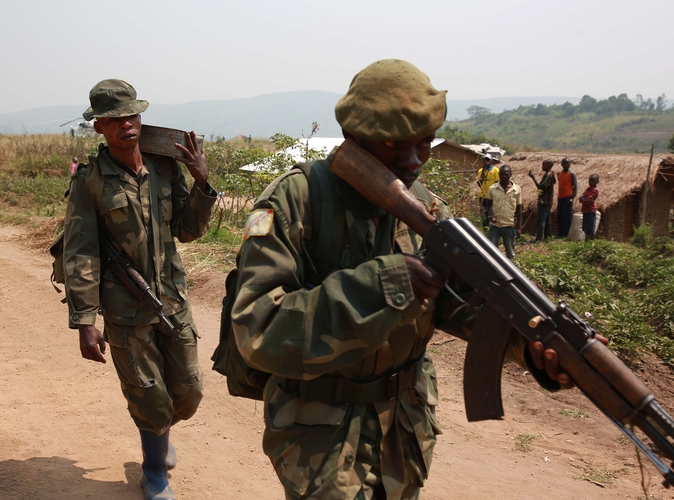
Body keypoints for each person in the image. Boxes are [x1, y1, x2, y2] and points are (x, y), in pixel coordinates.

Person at [231, 59, 573, 500]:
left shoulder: (426, 208)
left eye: (425, 143)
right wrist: (384, 284)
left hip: (405, 424)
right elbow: (258, 327)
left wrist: (534, 345)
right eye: (394, 144)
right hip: (320, 427)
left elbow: (463, 303)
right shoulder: (297, 199)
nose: (413, 161)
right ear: (353, 137)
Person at [62, 79, 216, 500]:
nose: (125, 124)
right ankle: (154, 472)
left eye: (131, 115)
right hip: (125, 310)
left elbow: (188, 229)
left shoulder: (165, 167)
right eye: (114, 119)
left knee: (189, 392)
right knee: (149, 397)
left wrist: (202, 184)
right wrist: (84, 321)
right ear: (100, 128)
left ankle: (160, 434)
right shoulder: (90, 181)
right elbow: (81, 252)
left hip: (173, 300)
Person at [486, 165, 522, 259]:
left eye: (506, 174)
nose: (503, 176)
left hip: (509, 226)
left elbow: (519, 209)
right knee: (491, 253)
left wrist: (519, 228)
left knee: (510, 254)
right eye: (501, 174)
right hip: (495, 226)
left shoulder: (516, 190)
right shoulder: (492, 189)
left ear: (510, 174)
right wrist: (491, 216)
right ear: (498, 175)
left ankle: (511, 272)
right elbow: (487, 206)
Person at [528, 159, 556, 242]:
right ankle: (548, 237)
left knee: (541, 220)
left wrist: (533, 178)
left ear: (548, 166)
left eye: (543, 165)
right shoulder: (552, 173)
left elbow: (540, 187)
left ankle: (539, 238)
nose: (542, 167)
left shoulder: (547, 175)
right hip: (548, 201)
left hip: (544, 201)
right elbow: (554, 182)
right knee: (547, 219)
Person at [476, 154, 500, 228]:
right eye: (485, 159)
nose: (486, 161)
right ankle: (484, 228)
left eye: (488, 159)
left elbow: (497, 183)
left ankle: (491, 227)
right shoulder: (480, 171)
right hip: (482, 195)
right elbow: (480, 183)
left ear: (491, 160)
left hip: (491, 196)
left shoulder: (495, 170)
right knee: (483, 213)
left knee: (491, 212)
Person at [556, 157, 577, 237]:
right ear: (561, 164)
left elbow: (575, 186)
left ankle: (567, 234)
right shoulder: (559, 174)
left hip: (568, 198)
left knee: (567, 217)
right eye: (564, 163)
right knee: (560, 216)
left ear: (570, 164)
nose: (566, 165)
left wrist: (572, 197)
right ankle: (560, 233)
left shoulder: (571, 174)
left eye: (567, 163)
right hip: (560, 198)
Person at [579, 174, 600, 240]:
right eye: (590, 181)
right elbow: (581, 197)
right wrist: (583, 198)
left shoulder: (595, 190)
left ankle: (588, 242)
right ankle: (589, 241)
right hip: (585, 210)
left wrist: (583, 199)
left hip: (590, 210)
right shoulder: (588, 189)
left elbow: (588, 200)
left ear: (597, 182)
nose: (591, 182)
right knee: (586, 227)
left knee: (590, 227)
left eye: (593, 181)